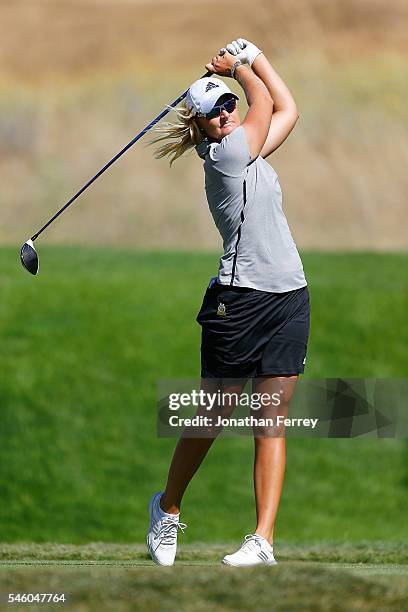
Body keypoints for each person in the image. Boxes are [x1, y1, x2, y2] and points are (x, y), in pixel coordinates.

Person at [147, 39, 310, 567]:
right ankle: (167, 510)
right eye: (213, 108)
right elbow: (264, 104)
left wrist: (256, 56)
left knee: (271, 416)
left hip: (289, 296)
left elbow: (288, 109)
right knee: (214, 414)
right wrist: (241, 67)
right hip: (238, 302)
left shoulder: (250, 145)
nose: (225, 112)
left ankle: (262, 540)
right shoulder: (227, 153)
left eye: (227, 104)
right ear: (197, 123)